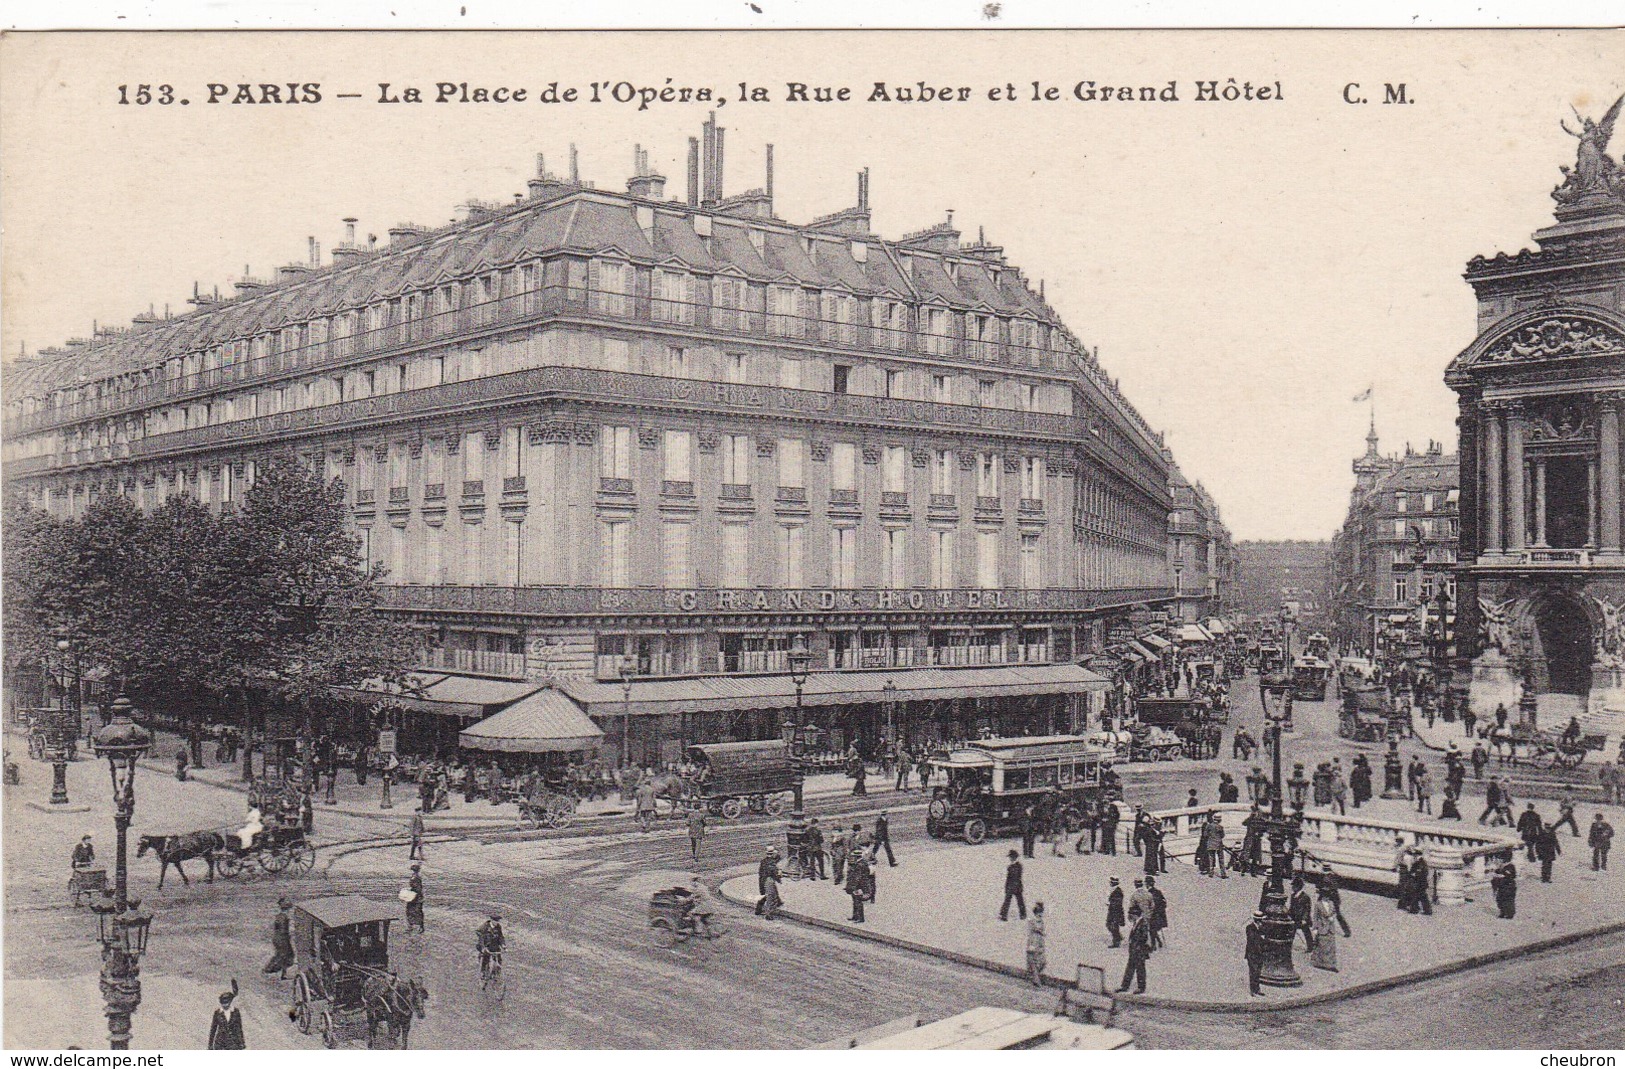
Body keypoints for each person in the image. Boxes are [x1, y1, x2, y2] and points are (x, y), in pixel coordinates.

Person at [1116, 905, 1150, 994]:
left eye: (1131, 915)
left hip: (1139, 951)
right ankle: (1125, 986)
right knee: (1130, 968)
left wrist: (1137, 945)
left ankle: (1141, 987)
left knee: (1140, 969)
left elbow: (1144, 937)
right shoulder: (1137, 923)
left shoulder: (1143, 923)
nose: (1130, 917)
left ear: (1136, 914)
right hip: (1134, 950)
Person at [207, 980, 246, 1050]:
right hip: (220, 1043)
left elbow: (239, 1028)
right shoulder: (217, 1013)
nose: (225, 1005)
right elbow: (213, 1029)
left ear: (230, 1002)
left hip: (233, 1043)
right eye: (223, 1003)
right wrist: (210, 1044)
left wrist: (242, 1043)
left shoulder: (235, 1012)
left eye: (226, 1003)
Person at [263, 897, 296, 979]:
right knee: (285, 956)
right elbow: (282, 930)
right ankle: (270, 970)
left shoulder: (280, 916)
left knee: (283, 955)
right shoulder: (283, 917)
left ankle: (279, 973)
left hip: (279, 938)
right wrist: (287, 937)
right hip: (282, 939)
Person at [1317, 864, 1353, 937]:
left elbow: (1330, 889)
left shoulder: (1330, 878)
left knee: (1336, 915)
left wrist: (1321, 891)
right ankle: (1346, 931)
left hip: (1332, 899)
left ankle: (1346, 931)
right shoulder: (1331, 877)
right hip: (1331, 898)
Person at [1310, 890, 1339, 972]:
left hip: (1330, 928)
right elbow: (1315, 917)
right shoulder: (1318, 904)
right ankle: (1320, 963)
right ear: (1322, 896)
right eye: (1326, 896)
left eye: (1328, 896)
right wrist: (1315, 928)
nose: (1327, 898)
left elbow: (1334, 912)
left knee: (1331, 946)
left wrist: (1333, 918)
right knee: (1322, 946)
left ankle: (1331, 964)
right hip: (1322, 927)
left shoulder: (1331, 903)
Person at [1244, 911, 1267, 997]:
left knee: (1258, 972)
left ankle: (1257, 989)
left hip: (1260, 954)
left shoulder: (1261, 928)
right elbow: (1253, 939)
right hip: (1252, 954)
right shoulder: (1250, 928)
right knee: (1253, 972)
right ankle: (1253, 990)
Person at [756, 847, 783, 919]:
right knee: (771, 896)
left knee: (769, 893)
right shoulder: (771, 863)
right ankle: (769, 914)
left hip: (762, 879)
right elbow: (774, 873)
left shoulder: (764, 861)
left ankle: (758, 909)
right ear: (773, 854)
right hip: (768, 880)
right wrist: (779, 875)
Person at [999, 849, 1027, 921]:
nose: (1010, 859)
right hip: (1015, 886)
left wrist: (1009, 887)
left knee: (1010, 900)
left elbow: (1013, 877)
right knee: (1019, 901)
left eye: (1011, 857)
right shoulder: (1015, 866)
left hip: (1013, 886)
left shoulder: (1015, 867)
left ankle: (1004, 915)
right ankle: (1022, 914)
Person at [476, 912, 505, 981]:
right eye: (495, 921)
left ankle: (496, 973)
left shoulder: (498, 927)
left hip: (495, 945)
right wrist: (483, 947)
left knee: (498, 959)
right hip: (486, 945)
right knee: (485, 959)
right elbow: (481, 937)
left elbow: (501, 937)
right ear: (491, 920)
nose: (496, 923)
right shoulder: (484, 927)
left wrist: (503, 945)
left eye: (497, 921)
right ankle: (483, 973)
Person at [1289, 877, 1315, 950]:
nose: (1292, 887)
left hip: (1302, 919)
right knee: (1291, 932)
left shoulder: (1305, 897)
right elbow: (1291, 907)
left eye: (1293, 886)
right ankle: (1289, 944)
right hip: (1294, 917)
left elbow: (1307, 909)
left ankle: (1310, 946)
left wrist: (1304, 919)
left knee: (1306, 932)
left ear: (1298, 887)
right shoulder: (1293, 896)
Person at [846, 848, 870, 923]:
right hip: (859, 885)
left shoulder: (859, 865)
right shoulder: (861, 863)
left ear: (857, 857)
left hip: (859, 886)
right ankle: (855, 916)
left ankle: (860, 918)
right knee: (855, 901)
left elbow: (858, 877)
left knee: (858, 901)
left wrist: (853, 886)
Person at [1026, 902, 1047, 988]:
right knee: (1033, 961)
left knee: (1042, 962)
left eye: (1041, 912)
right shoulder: (1032, 920)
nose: (1040, 914)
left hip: (1039, 942)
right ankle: (1036, 980)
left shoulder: (1041, 921)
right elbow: (1034, 929)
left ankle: (1035, 977)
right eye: (1038, 912)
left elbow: (1042, 931)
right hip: (1033, 941)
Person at [1146, 874, 1168, 950]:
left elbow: (1150, 904)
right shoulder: (1158, 892)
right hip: (1160, 914)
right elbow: (1164, 902)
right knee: (1154, 929)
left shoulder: (1149, 893)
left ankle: (1153, 945)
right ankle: (1158, 942)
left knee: (1152, 929)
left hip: (1154, 914)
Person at [404, 864, 426, 933]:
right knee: (410, 911)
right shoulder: (415, 876)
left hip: (416, 897)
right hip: (414, 896)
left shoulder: (416, 877)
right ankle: (412, 926)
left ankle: (420, 927)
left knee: (417, 911)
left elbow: (418, 888)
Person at [1105, 877, 1125, 948]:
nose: (1110, 883)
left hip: (1116, 911)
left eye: (1111, 882)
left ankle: (1116, 941)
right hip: (1113, 910)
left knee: (1113, 926)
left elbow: (1117, 903)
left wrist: (1111, 904)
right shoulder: (1115, 890)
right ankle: (1118, 937)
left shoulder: (1117, 891)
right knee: (1109, 925)